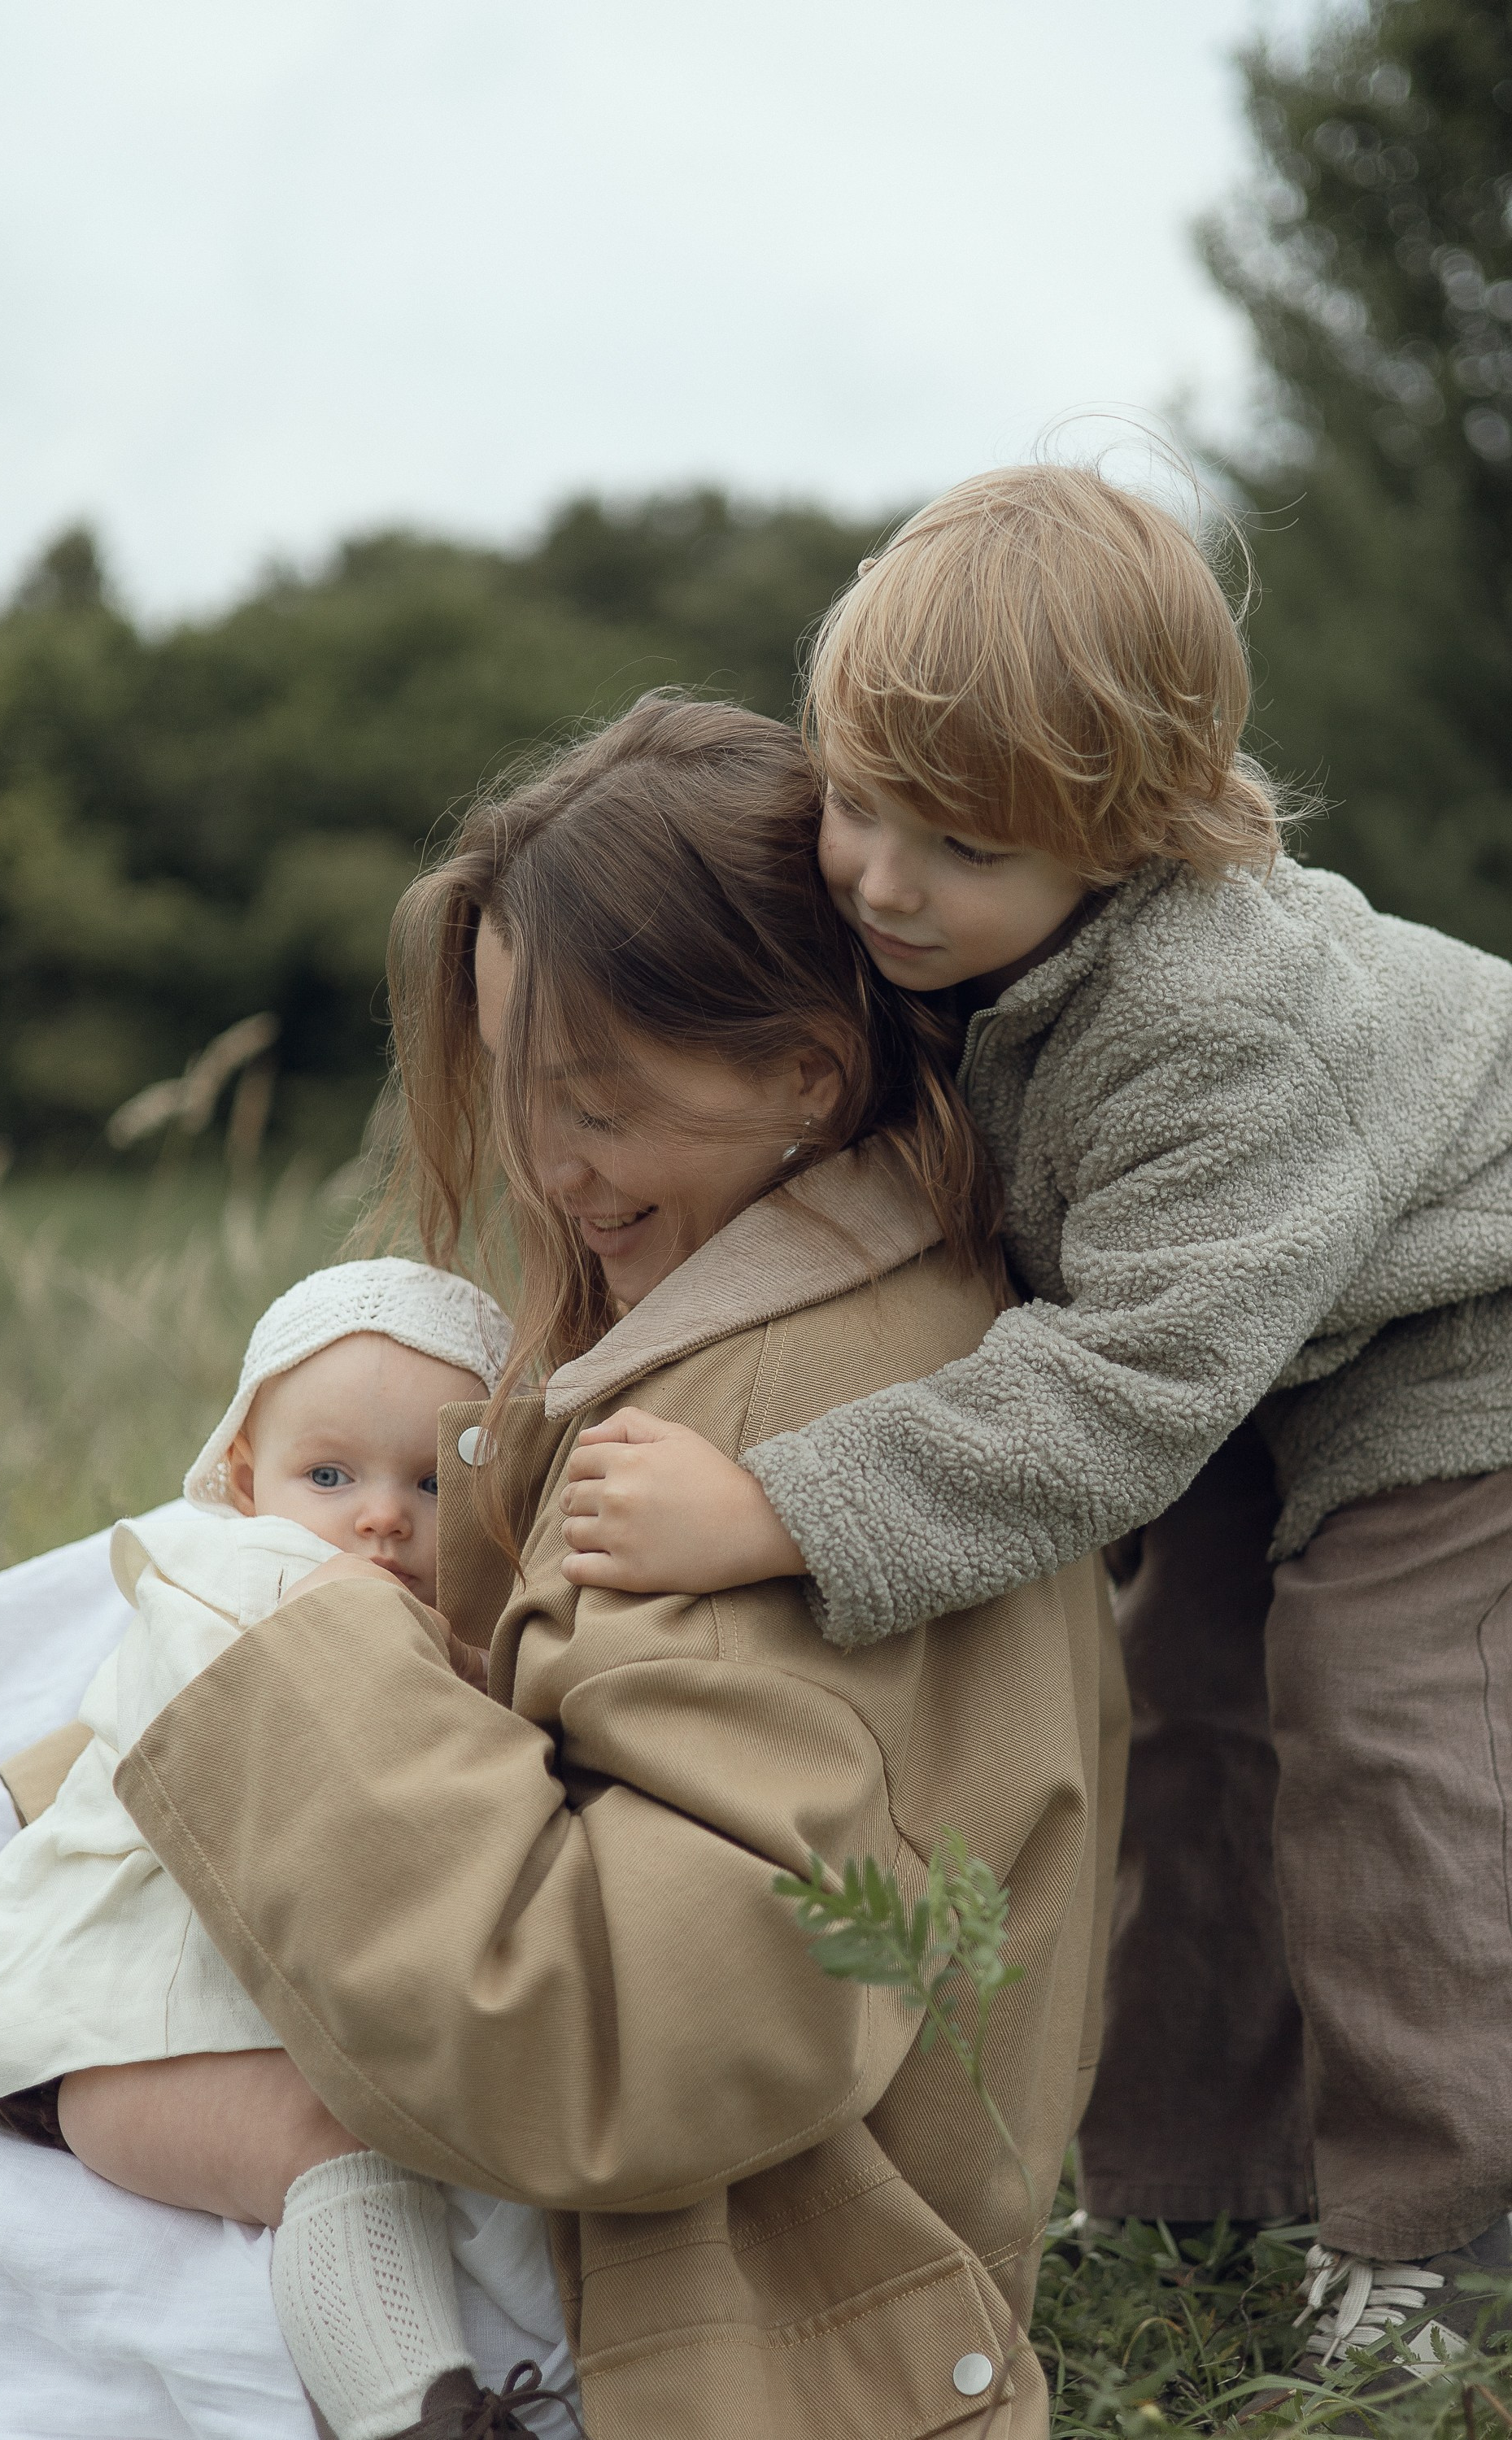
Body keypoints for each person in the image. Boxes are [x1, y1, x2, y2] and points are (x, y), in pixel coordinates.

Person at [0, 695, 1124, 2440]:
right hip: (653, 2211)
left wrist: (276, 1637)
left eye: (597, 1103)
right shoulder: (785, 1314)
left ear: (804, 1072)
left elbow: (636, 2038)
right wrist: (7, 1932)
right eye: (518, 1097)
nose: (547, 1170)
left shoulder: (778, 1418)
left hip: (723, 2298)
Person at [550, 469, 1512, 2415]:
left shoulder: (1228, 1026)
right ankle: (1193, 2188)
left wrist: (779, 1504)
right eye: (856, 805)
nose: (883, 880)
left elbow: (1125, 1389)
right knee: (1176, 1714)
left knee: (1377, 1729)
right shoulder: (959, 952)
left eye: (957, 843)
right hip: (1276, 1340)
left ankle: (1447, 2235)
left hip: (1457, 1337)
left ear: (1131, 829)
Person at [0, 1255, 580, 2440]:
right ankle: (416, 2415)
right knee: (327, 2139)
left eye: (432, 1483)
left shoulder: (474, 1635)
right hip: (107, 2029)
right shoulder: (248, 1579)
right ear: (243, 1477)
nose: (382, 1515)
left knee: (439, 2137)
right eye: (329, 1474)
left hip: (229, 2002)